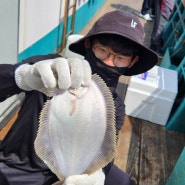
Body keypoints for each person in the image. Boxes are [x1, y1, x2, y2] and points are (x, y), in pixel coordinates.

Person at [0, 10, 158, 185]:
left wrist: (98, 174)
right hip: (21, 166)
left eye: (120, 58)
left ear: (132, 62)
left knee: (122, 181)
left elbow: (106, 149)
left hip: (72, 173)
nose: (108, 62)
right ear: (89, 44)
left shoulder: (116, 107)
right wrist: (22, 76)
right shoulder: (52, 68)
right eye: (102, 50)